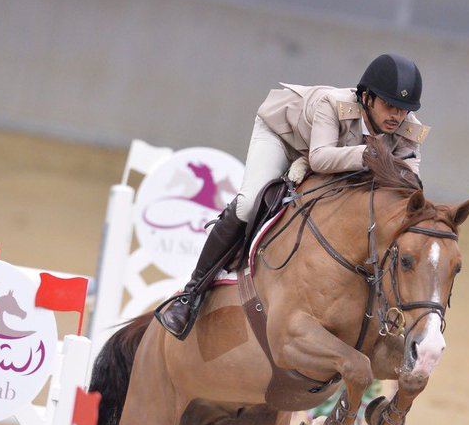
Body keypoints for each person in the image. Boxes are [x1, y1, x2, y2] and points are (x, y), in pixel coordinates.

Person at [159, 52, 431, 340]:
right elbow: (321, 158)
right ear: (367, 98)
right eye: (390, 105)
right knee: (250, 203)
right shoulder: (333, 104)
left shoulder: (408, 129)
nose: (396, 116)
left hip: (333, 156)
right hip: (284, 138)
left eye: (403, 109)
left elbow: (408, 184)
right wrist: (372, 154)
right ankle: (189, 296)